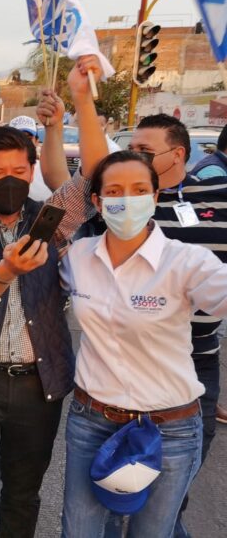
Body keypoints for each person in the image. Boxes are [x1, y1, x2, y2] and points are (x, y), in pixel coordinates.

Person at [0, 58, 109, 538]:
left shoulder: (51, 216)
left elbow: (97, 177)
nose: (8, 178)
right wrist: (7, 270)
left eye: (18, 169)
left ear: (32, 171)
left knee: (22, 495)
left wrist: (81, 102)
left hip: (38, 385)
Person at [60, 150, 227, 536]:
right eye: (114, 191)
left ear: (155, 197)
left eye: (139, 190)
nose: (127, 200)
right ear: (98, 203)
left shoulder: (186, 262)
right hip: (92, 421)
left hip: (169, 428)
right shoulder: (78, 257)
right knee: (79, 530)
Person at [127, 113, 227, 536]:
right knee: (123, 490)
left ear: (178, 154)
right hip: (132, 368)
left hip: (197, 367)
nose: (135, 159)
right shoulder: (128, 202)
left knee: (173, 494)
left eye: (145, 153)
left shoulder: (220, 193)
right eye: (131, 151)